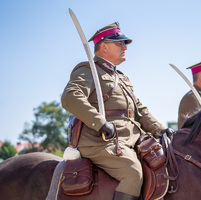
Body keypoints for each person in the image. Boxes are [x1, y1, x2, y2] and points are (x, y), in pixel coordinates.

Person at [61, 22, 167, 200]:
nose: (124, 47)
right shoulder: (88, 70)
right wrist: (100, 123)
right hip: (101, 141)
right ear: (103, 47)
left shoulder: (122, 78)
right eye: (119, 43)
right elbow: (70, 97)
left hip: (131, 139)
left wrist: (161, 130)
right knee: (133, 173)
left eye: (125, 43)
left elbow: (139, 109)